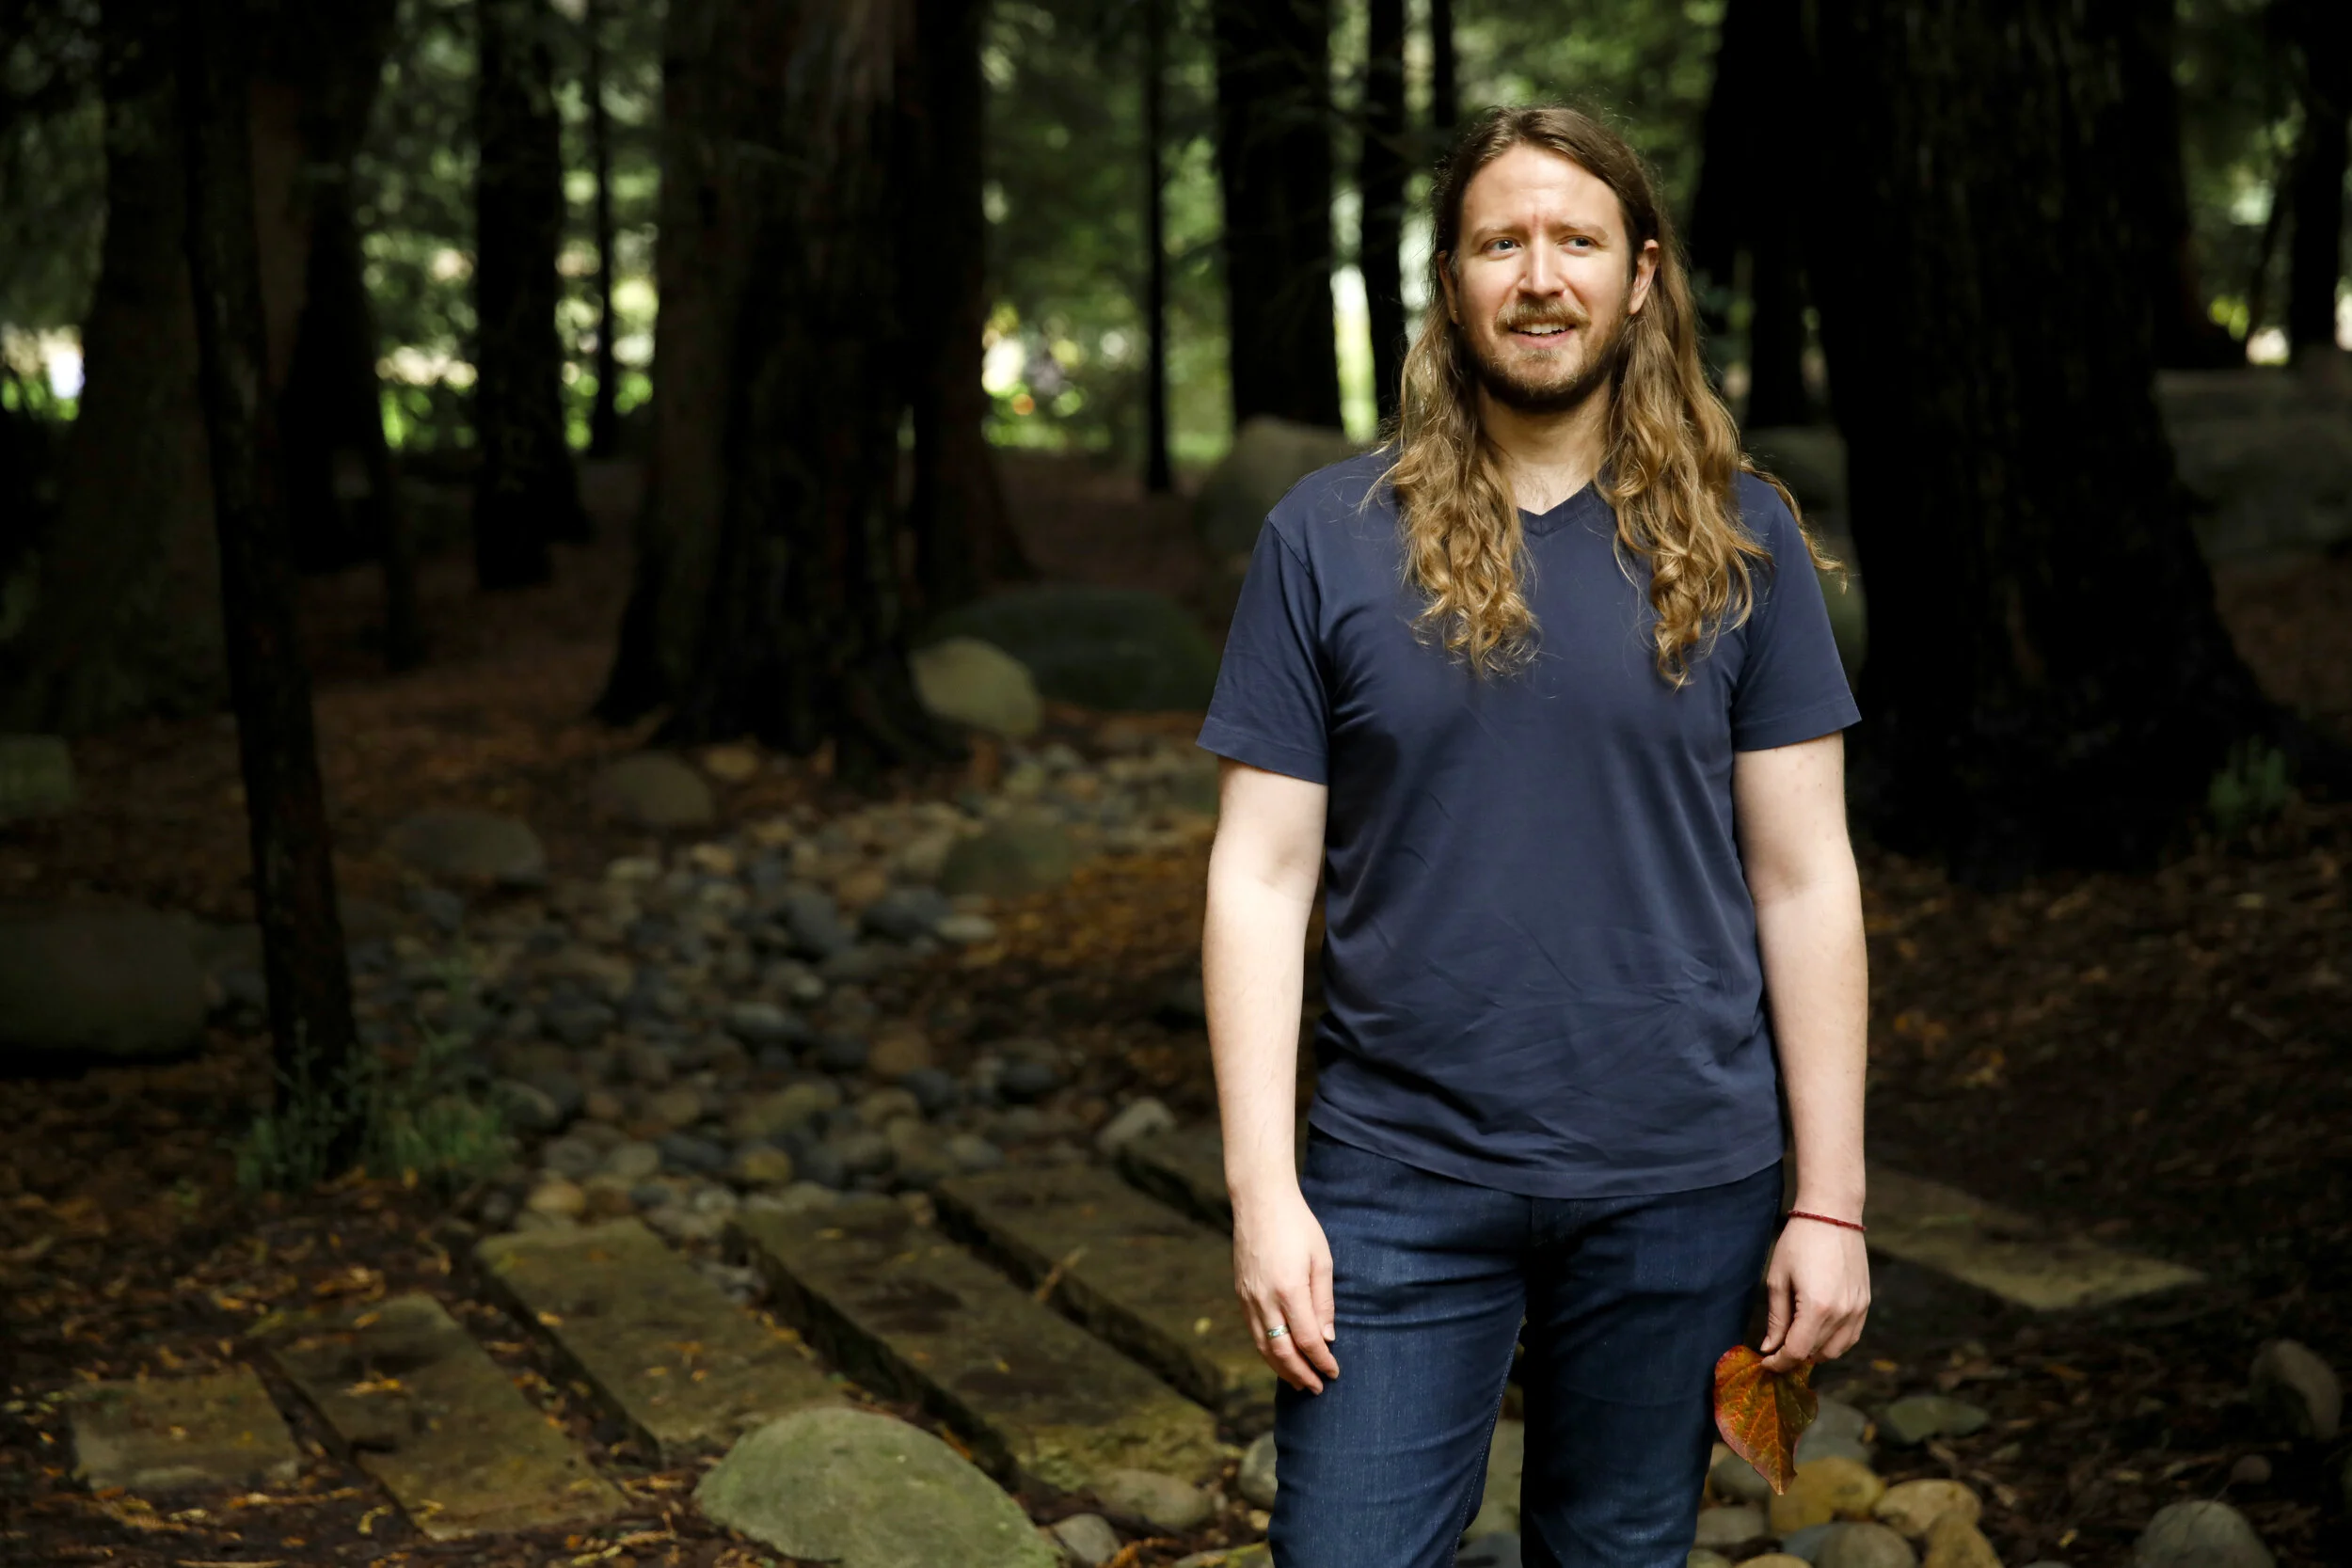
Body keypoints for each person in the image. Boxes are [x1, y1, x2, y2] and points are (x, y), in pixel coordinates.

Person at [1196, 104, 1871, 1568]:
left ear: (1642, 275)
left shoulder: (1747, 541)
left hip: (1681, 1178)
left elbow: (1806, 876)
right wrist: (1263, 1192)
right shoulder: (1323, 535)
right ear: (1450, 280)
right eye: (1501, 242)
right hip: (1396, 1171)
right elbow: (1259, 872)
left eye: (1578, 240)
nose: (1541, 276)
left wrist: (1831, 1202)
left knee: (1618, 1550)